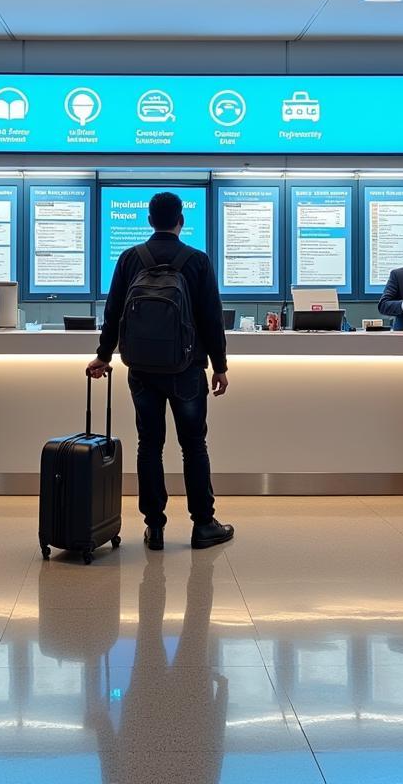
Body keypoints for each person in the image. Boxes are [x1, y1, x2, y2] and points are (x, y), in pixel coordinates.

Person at [87, 191, 234, 551]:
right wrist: (220, 366)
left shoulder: (129, 259)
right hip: (186, 370)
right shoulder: (197, 261)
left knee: (149, 445)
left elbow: (113, 314)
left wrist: (104, 356)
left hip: (141, 371)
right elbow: (212, 319)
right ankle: (203, 525)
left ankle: (154, 527)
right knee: (193, 446)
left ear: (150, 221)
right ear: (180, 220)